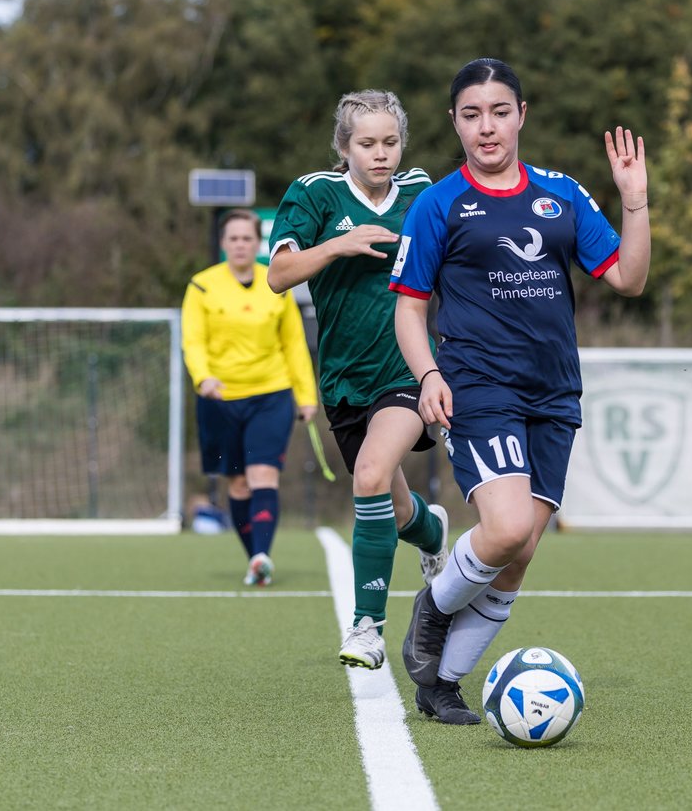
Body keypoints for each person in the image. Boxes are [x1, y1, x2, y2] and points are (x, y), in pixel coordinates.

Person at [390, 58, 650, 723]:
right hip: (478, 384)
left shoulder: (562, 195)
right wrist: (428, 376)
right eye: (471, 114)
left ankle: (442, 683)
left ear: (521, 116)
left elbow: (628, 278)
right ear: (454, 122)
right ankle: (435, 605)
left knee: (521, 551)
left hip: (554, 394)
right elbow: (410, 308)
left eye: (499, 112)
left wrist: (633, 198)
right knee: (504, 528)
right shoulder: (440, 203)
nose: (487, 127)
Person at [267, 89, 450, 671]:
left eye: (390, 142)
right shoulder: (315, 194)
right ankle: (429, 529)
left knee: (370, 474)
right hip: (344, 381)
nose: (381, 154)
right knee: (391, 504)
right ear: (343, 147)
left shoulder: (422, 192)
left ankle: (366, 627)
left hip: (406, 372)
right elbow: (278, 275)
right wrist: (338, 245)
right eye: (367, 143)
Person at [182, 210, 318, 587]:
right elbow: (192, 340)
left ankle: (262, 555)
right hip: (220, 398)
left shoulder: (276, 283)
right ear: (223, 243)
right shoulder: (202, 286)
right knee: (238, 485)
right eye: (234, 238)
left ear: (257, 244)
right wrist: (203, 377)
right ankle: (254, 558)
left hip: (271, 395)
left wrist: (306, 396)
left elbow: (293, 344)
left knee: (263, 476)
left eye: (247, 238)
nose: (241, 245)